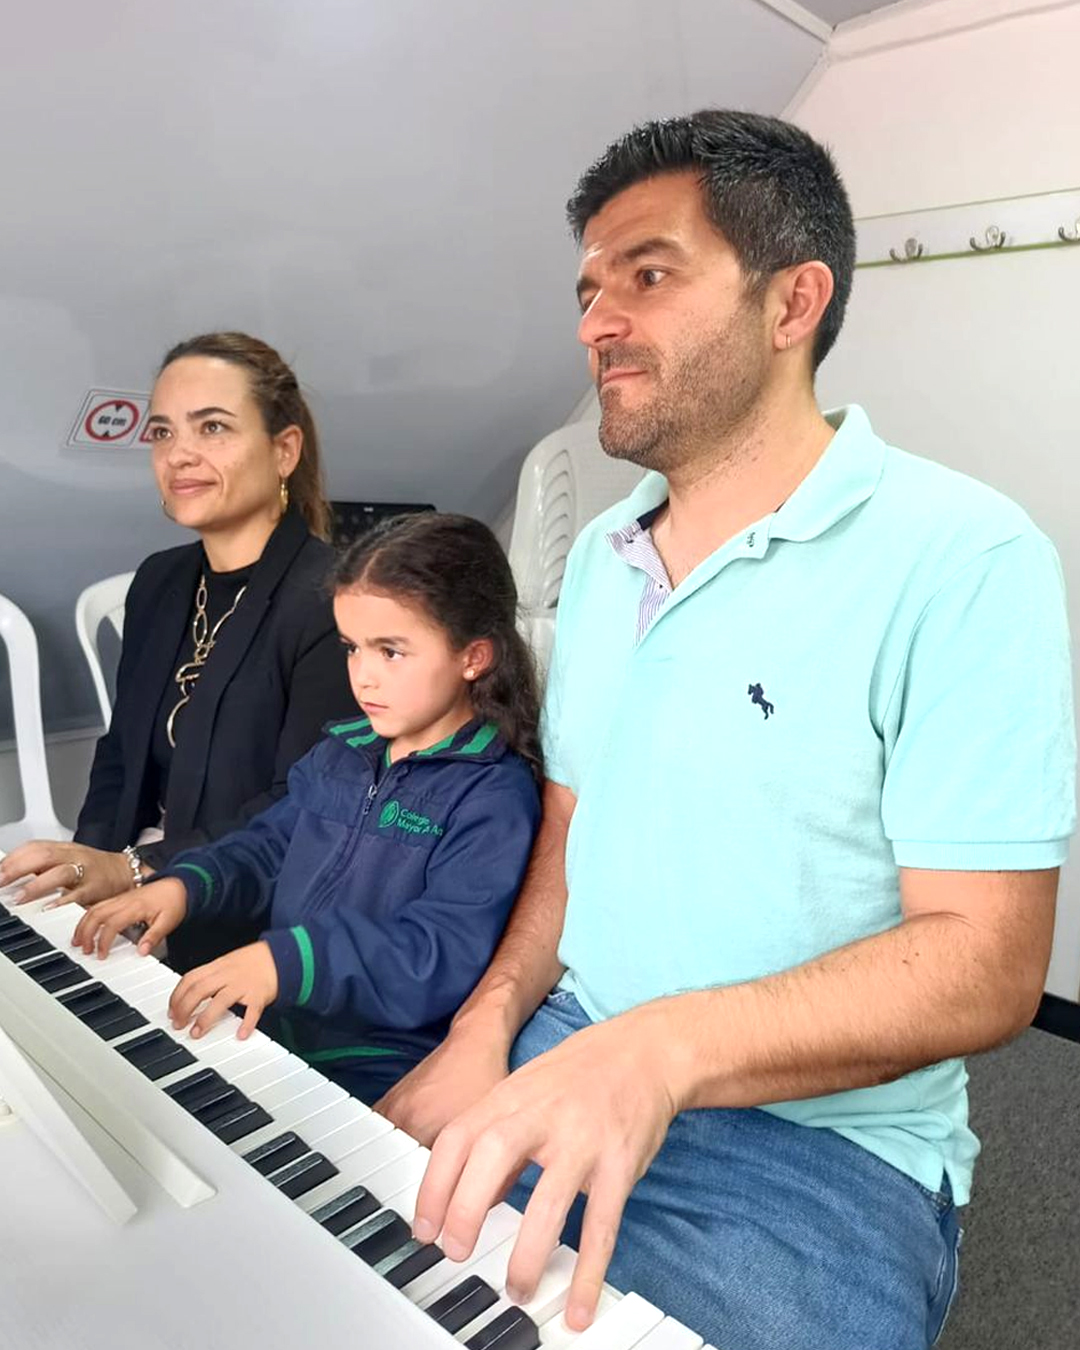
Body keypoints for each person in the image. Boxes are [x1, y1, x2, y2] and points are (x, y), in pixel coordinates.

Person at [377, 112, 1077, 1350]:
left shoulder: (966, 557)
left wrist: (662, 1052)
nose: (596, 321)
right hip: (569, 1045)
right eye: (590, 288)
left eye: (647, 274)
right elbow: (573, 830)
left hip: (816, 1153)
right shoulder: (601, 557)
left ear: (792, 301)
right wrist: (489, 1025)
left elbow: (988, 960)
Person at [72, 513, 543, 1104]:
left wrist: (286, 961)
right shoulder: (342, 750)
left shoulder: (492, 796)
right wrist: (183, 886)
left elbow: (435, 953)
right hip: (278, 1022)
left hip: (379, 1063)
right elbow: (267, 848)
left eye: (391, 651)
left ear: (473, 657)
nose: (363, 676)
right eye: (352, 648)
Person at [0, 332, 354, 971]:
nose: (179, 455)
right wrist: (83, 876)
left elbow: (299, 809)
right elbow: (118, 756)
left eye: (212, 427)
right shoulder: (159, 581)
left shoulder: (332, 600)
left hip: (240, 912)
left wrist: (132, 869)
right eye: (161, 433)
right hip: (136, 885)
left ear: (284, 451)